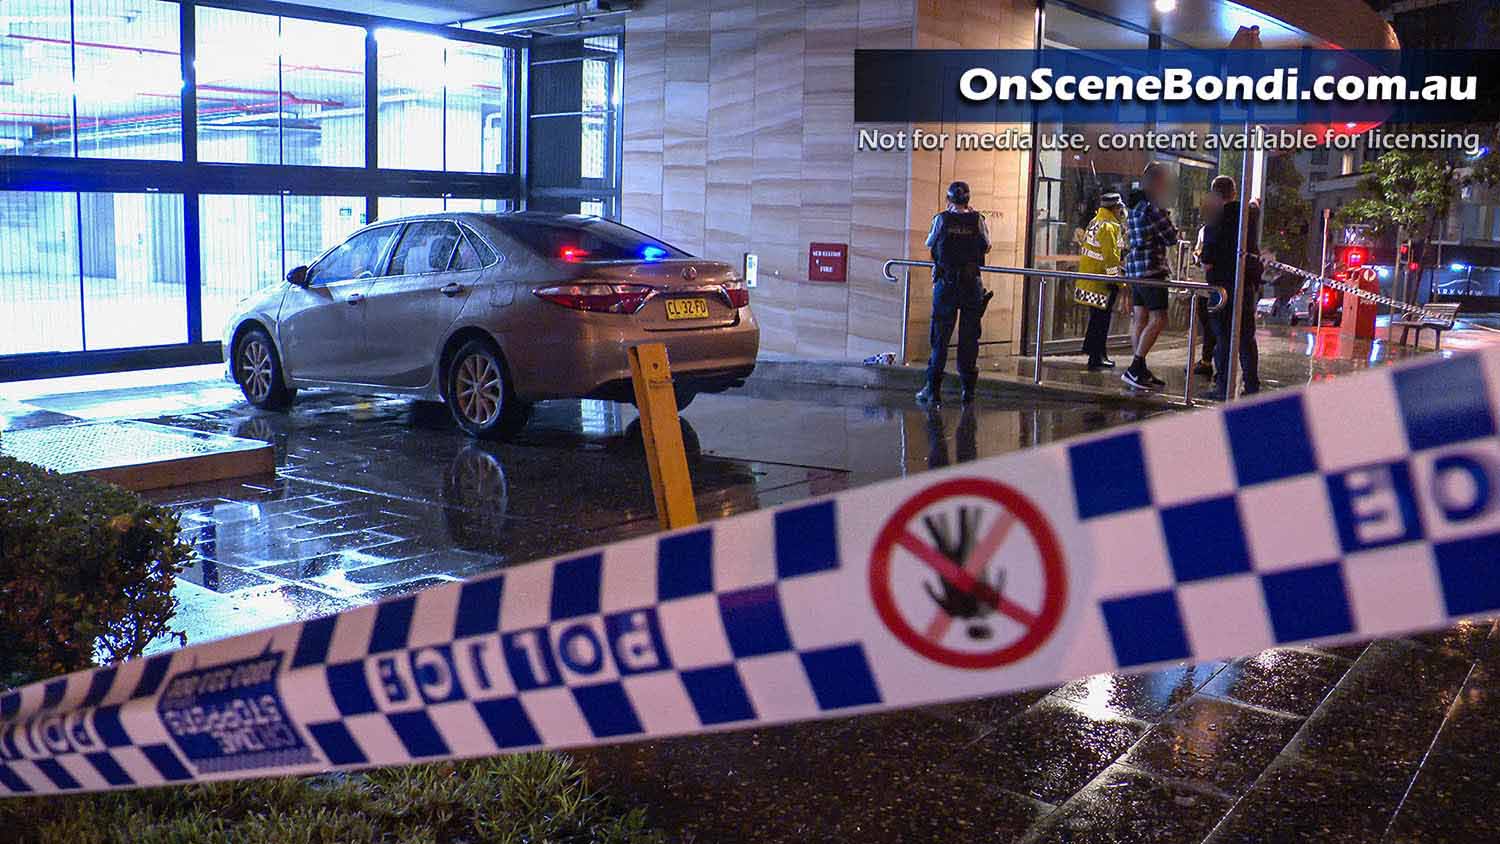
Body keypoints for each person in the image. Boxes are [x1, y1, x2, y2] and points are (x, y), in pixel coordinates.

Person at [917, 181, 991, 406]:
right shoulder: (978, 219)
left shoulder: (941, 219)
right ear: (968, 199)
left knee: (939, 338)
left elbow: (929, 242)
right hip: (971, 285)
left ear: (948, 199)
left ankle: (933, 390)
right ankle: (968, 391)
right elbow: (986, 246)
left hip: (946, 284)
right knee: (969, 339)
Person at [1199, 174, 1261, 400]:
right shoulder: (1249, 216)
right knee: (1246, 337)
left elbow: (1207, 260)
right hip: (1246, 284)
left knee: (1223, 338)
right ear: (1234, 193)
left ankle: (1223, 385)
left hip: (1221, 288)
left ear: (1215, 194)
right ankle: (1252, 384)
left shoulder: (1214, 220)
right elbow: (1254, 205)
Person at [1123, 162, 1179, 390]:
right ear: (1157, 182)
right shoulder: (1152, 209)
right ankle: (1136, 366)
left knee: (1140, 318)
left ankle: (1139, 369)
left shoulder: (1134, 206)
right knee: (1159, 318)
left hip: (1135, 270)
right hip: (1151, 269)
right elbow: (1170, 236)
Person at [1075, 192, 1126, 371]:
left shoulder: (1095, 222)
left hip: (1089, 279)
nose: (1122, 210)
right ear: (1114, 208)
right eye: (1120, 207)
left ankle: (1095, 353)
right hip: (1101, 282)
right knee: (1101, 320)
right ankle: (1097, 356)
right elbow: (1110, 257)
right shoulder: (1109, 226)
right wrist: (1116, 280)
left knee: (1095, 319)